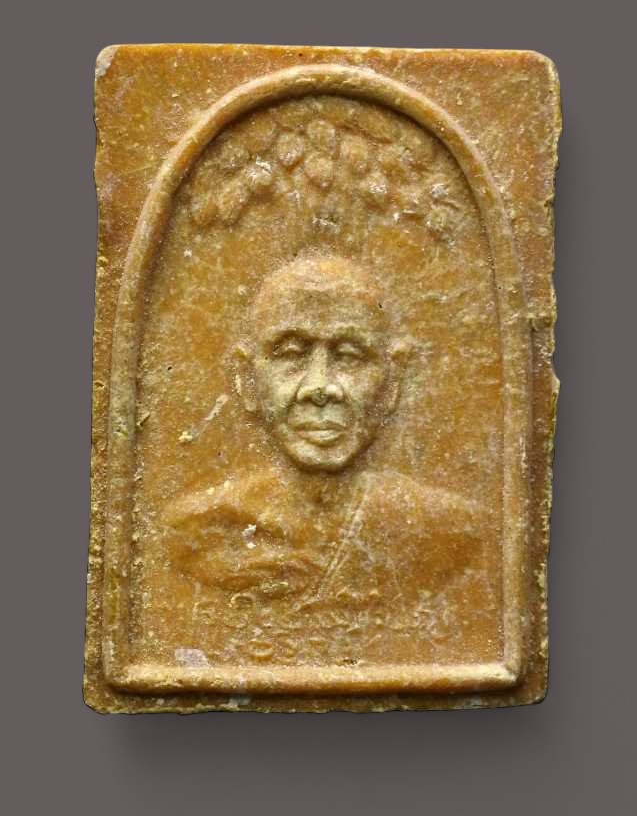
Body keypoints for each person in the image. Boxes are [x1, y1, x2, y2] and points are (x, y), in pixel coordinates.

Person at [164, 255, 482, 656]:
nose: (320, 388)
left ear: (394, 380)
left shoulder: (450, 532)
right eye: (290, 354)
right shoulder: (195, 534)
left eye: (349, 355)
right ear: (246, 379)